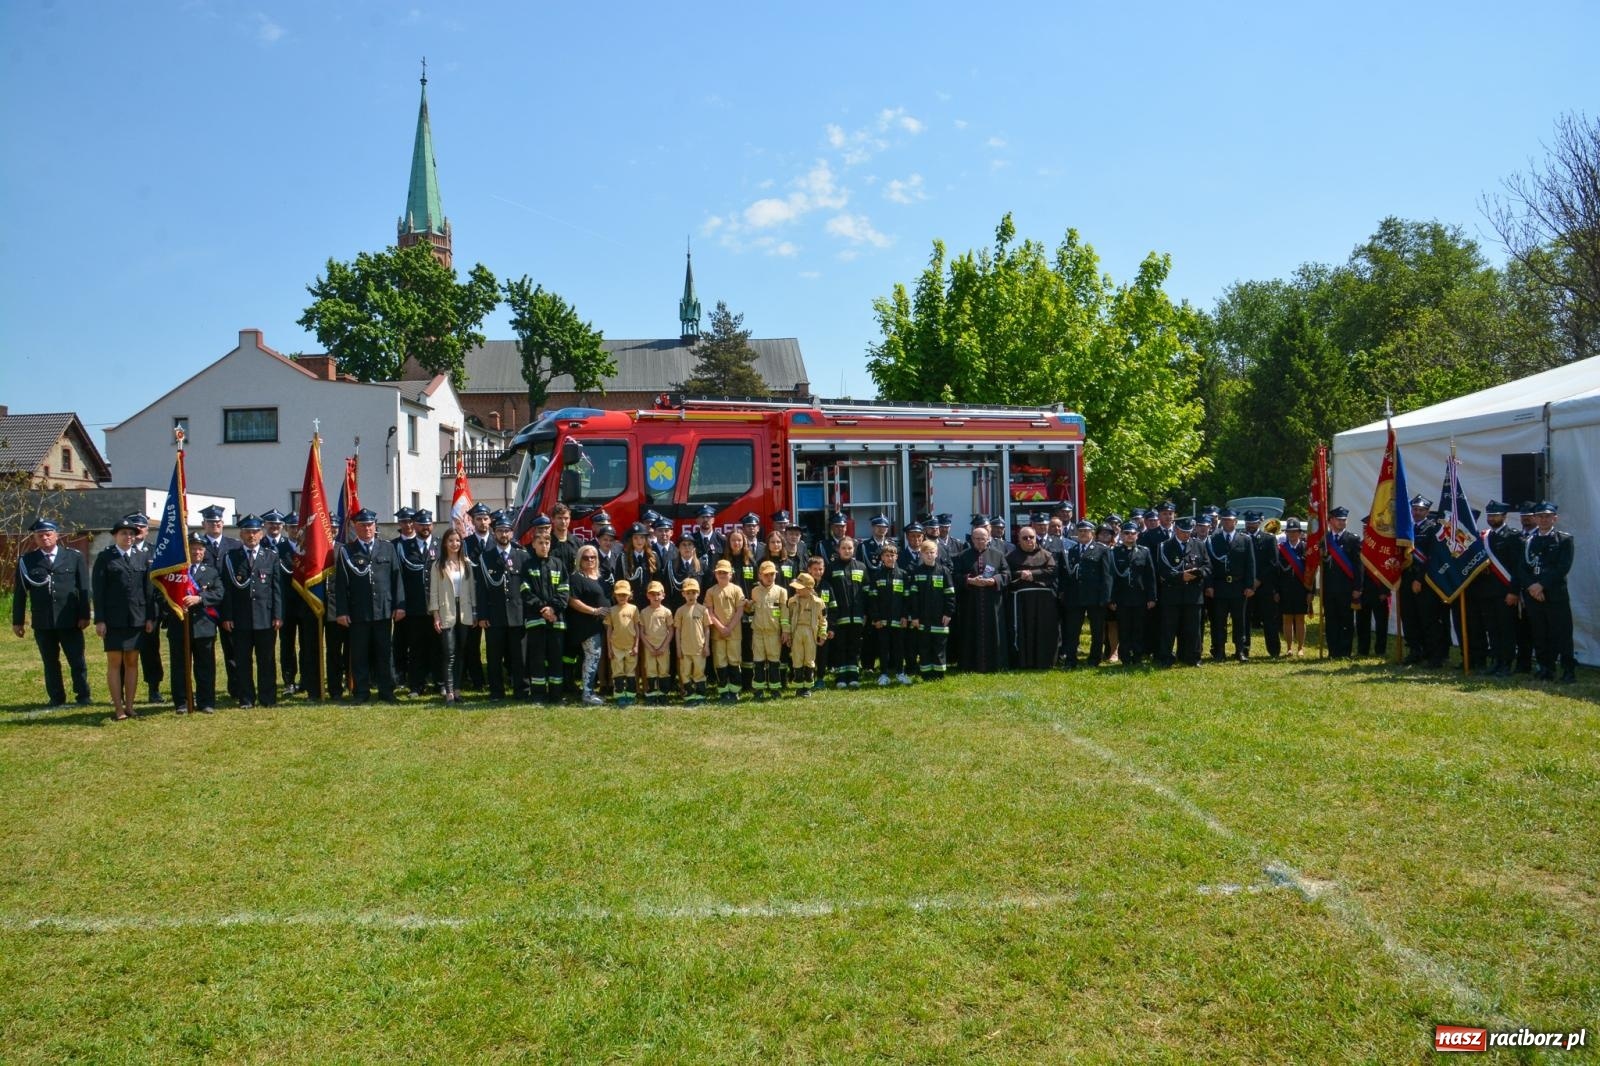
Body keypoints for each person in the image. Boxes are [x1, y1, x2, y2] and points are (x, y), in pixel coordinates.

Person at [12, 517, 92, 708]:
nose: (45, 538)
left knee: (77, 660)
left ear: (56, 535)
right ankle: (56, 697)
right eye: (40, 536)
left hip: (69, 618)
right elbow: (20, 593)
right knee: (50, 661)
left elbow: (83, 588)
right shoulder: (27, 561)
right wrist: (18, 621)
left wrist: (84, 615)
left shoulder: (73, 557)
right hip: (43, 620)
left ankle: (83, 695)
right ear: (35, 538)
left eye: (48, 534)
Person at [92, 514, 154, 720]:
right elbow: (98, 591)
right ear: (115, 536)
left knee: (132, 661)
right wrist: (100, 620)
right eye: (124, 533)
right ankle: (118, 708)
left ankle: (130, 706)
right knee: (115, 662)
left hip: (136, 617)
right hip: (114, 619)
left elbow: (148, 591)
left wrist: (150, 617)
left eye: (131, 534)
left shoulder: (142, 557)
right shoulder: (105, 557)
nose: (128, 537)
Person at [222, 514, 284, 708]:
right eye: (247, 532)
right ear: (241, 534)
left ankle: (268, 698)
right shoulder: (231, 558)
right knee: (242, 660)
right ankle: (246, 698)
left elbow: (276, 588)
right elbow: (227, 590)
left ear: (261, 534)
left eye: (255, 532)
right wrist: (227, 616)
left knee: (267, 660)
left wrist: (278, 615)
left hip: (265, 617)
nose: (251, 536)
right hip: (240, 618)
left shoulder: (271, 556)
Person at [163, 530, 225, 713]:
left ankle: (206, 702)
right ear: (186, 550)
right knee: (180, 667)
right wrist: (176, 604)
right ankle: (182, 702)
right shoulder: (174, 572)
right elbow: (161, 595)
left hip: (203, 627)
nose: (197, 552)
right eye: (193, 548)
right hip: (179, 625)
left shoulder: (211, 572)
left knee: (205, 666)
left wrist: (200, 598)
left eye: (200, 549)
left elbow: (219, 593)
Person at [1520, 501, 1576, 683]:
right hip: (1534, 594)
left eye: (1547, 516)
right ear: (1535, 518)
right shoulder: (1527, 540)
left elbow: (1563, 567)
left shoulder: (1564, 539)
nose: (1544, 519)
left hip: (1555, 594)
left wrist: (1541, 585)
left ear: (1555, 518)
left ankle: (1568, 670)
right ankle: (1545, 668)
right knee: (1540, 632)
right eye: (1540, 516)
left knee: (1562, 633)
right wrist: (1532, 586)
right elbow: (1521, 568)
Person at [473, 511, 526, 701]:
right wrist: (482, 615)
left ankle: (521, 690)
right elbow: (481, 589)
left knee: (519, 656)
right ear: (494, 532)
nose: (504, 534)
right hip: (494, 615)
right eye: (500, 531)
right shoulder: (485, 557)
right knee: (494, 657)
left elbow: (526, 589)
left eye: (507, 531)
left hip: (517, 615)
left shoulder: (522, 556)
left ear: (512, 533)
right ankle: (496, 691)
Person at [519, 515, 569, 704]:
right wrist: (543, 609)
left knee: (556, 659)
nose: (544, 546)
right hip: (536, 620)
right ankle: (538, 695)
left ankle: (556, 695)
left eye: (547, 543)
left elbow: (564, 591)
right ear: (533, 545)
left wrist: (553, 609)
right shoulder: (527, 565)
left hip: (556, 621)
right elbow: (525, 591)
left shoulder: (558, 564)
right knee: (537, 659)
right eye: (540, 543)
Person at [196, 504, 242, 700]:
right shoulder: (196, 546)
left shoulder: (234, 545)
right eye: (210, 522)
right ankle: (206, 692)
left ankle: (235, 688)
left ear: (223, 523)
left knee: (232, 649)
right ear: (203, 524)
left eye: (218, 522)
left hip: (228, 605)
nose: (215, 524)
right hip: (203, 607)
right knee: (204, 652)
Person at [393, 507, 438, 697]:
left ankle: (440, 683)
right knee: (416, 649)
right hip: (415, 607)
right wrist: (401, 605)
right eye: (421, 524)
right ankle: (416, 685)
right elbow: (399, 578)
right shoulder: (404, 547)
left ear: (432, 525)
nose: (425, 527)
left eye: (428, 524)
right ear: (415, 526)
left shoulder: (440, 545)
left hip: (436, 607)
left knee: (438, 647)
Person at [429, 527, 476, 704]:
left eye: (457, 540)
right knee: (449, 653)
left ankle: (457, 690)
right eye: (451, 541)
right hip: (446, 610)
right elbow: (434, 592)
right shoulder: (438, 565)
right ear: (444, 543)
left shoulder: (467, 563)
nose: (454, 544)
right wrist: (436, 615)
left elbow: (472, 589)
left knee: (461, 652)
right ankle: (448, 691)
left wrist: (474, 611)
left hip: (464, 610)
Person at [1205, 509, 1256, 662]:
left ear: (1236, 522)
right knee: (1219, 621)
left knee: (1239, 620)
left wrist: (1250, 586)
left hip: (1238, 586)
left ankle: (1240, 650)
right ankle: (1220, 651)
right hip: (1219, 586)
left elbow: (1250, 564)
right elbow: (1209, 565)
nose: (1227, 522)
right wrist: (1209, 585)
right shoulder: (1213, 539)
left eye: (1230, 520)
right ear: (1221, 521)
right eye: (1225, 520)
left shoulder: (1245, 540)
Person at [955, 525, 1009, 673]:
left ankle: (995, 664)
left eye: (983, 539)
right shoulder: (962, 556)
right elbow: (955, 576)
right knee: (970, 632)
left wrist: (994, 580)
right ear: (972, 539)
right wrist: (969, 580)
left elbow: (1006, 574)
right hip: (970, 603)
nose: (980, 542)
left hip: (992, 602)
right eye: (977, 539)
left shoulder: (998, 555)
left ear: (988, 539)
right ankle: (970, 664)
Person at [1156, 517, 1209, 667]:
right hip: (1172, 594)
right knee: (1169, 628)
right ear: (1175, 529)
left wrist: (1199, 573)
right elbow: (1163, 569)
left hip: (1193, 594)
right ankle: (1166, 658)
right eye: (1183, 531)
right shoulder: (1165, 546)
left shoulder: (1199, 545)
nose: (1186, 535)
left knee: (1193, 628)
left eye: (1188, 532)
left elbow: (1208, 566)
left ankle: (1192, 657)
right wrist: (1180, 576)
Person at [1061, 520, 1113, 669]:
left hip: (1095, 597)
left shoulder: (1101, 550)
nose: (1083, 533)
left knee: (1097, 630)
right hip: (1075, 597)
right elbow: (1067, 574)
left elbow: (1107, 576)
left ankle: (1094, 659)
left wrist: (1106, 597)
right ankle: (1071, 659)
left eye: (1086, 531)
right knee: (1072, 630)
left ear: (1092, 533)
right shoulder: (1071, 550)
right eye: (1080, 531)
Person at [1005, 525, 1059, 670]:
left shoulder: (1046, 555)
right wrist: (1021, 574)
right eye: (1025, 538)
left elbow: (1052, 571)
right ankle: (1023, 661)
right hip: (1021, 602)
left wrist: (1032, 575)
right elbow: (1007, 573)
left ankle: (1043, 661)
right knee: (1023, 631)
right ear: (1019, 540)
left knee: (1043, 630)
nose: (1029, 540)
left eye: (1031, 537)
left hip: (1043, 603)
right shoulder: (1011, 556)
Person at [1479, 501, 1522, 675]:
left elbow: (1518, 567)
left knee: (1506, 628)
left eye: (1495, 515)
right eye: (1489, 515)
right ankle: (1496, 660)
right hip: (1487, 591)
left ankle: (1506, 662)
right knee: (1492, 628)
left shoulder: (1513, 536)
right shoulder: (1484, 537)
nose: (1491, 518)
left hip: (1505, 591)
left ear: (1504, 516)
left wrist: (1514, 591)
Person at [564, 545, 610, 706]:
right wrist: (594, 611)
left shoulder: (600, 576)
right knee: (592, 657)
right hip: (585, 626)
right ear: (579, 559)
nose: (590, 560)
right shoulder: (576, 577)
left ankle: (590, 691)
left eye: (593, 557)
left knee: (595, 658)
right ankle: (587, 694)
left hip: (601, 625)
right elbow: (572, 600)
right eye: (585, 557)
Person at [1108, 521, 1158, 667]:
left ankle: (1137, 657)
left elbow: (1150, 576)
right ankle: (1125, 657)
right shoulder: (1114, 552)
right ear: (1121, 535)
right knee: (1123, 628)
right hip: (1122, 598)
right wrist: (1111, 599)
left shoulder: (1144, 551)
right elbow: (1111, 577)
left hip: (1140, 597)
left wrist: (1152, 597)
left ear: (1137, 535)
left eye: (1133, 533)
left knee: (1139, 628)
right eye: (1126, 533)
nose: (1130, 536)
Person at [129, 513, 164, 704]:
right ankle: (124, 690)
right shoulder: (122, 551)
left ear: (147, 530)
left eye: (141, 527)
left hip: (151, 609)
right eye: (134, 527)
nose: (137, 530)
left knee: (151, 651)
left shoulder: (155, 552)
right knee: (126, 650)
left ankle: (154, 688)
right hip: (128, 611)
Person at [907, 539, 954, 680]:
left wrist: (948, 613)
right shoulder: (917, 572)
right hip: (922, 617)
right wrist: (914, 616)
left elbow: (950, 594)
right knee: (924, 646)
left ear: (937, 553)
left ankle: (939, 674)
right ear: (921, 554)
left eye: (932, 552)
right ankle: (926, 673)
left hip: (940, 617)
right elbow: (913, 597)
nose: (929, 555)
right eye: (926, 553)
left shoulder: (944, 571)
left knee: (939, 646)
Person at [826, 536, 868, 688]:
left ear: (854, 549)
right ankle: (841, 677)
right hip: (839, 616)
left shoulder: (861, 567)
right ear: (838, 549)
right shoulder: (831, 567)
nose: (847, 551)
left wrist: (865, 613)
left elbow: (866, 592)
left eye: (850, 548)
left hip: (857, 615)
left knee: (854, 646)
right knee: (840, 646)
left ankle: (853, 676)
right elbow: (828, 592)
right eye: (843, 548)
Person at [1321, 507, 1363, 659]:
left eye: (1344, 520)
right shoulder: (1325, 540)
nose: (1341, 522)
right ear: (1331, 521)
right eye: (1338, 519)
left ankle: (1345, 652)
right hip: (1329, 588)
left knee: (1346, 620)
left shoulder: (1353, 539)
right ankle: (1333, 651)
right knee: (1331, 620)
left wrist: (1358, 587)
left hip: (1347, 588)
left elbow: (1358, 566)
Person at [705, 559, 746, 703]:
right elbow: (709, 612)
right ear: (715, 574)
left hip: (734, 633)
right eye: (719, 572)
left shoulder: (736, 590)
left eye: (725, 572)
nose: (722, 575)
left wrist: (729, 628)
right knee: (720, 662)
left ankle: (734, 691)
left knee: (734, 660)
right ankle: (723, 691)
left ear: (731, 574)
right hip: (718, 634)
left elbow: (740, 611)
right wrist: (721, 628)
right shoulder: (711, 591)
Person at [1244, 511, 1282, 659]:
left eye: (1253, 523)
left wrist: (1258, 580)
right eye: (1248, 523)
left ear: (1259, 522)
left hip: (1265, 587)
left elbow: (1273, 563)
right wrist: (1249, 582)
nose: (1250, 525)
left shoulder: (1269, 539)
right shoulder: (1241, 538)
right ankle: (1244, 650)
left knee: (1269, 620)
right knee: (1245, 620)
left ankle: (1274, 651)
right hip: (1247, 587)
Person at [748, 559, 788, 699]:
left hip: (773, 633)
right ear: (760, 575)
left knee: (774, 661)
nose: (769, 577)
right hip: (758, 632)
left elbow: (784, 613)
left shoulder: (781, 592)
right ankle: (758, 690)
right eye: (766, 575)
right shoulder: (755, 591)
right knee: (758, 661)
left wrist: (785, 630)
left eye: (772, 574)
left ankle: (775, 689)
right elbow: (752, 609)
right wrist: (748, 606)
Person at [784, 572, 827, 696]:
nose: (797, 590)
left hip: (810, 633)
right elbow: (788, 618)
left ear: (809, 588)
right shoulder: (792, 601)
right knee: (797, 659)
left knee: (809, 659)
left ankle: (807, 687)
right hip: (796, 631)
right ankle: (799, 687)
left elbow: (823, 620)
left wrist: (822, 634)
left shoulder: (818, 602)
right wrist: (788, 634)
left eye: (800, 588)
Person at [1274, 519, 1312, 657]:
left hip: (1302, 589)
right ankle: (1289, 647)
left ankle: (1300, 647)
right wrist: (1276, 591)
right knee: (1287, 619)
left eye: (1295, 531)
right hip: (1285, 589)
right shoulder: (1281, 549)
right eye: (1289, 532)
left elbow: (1311, 571)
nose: (1292, 534)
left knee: (1300, 619)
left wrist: (1310, 591)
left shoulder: (1306, 548)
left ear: (1300, 533)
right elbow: (1276, 572)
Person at [674, 577, 711, 704]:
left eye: (694, 592)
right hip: (685, 649)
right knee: (685, 672)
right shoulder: (680, 611)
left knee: (699, 671)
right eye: (688, 593)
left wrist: (706, 646)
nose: (691, 595)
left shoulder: (703, 610)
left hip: (699, 648)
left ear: (698, 593)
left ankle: (700, 694)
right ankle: (689, 695)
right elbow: (677, 630)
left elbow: (707, 629)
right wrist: (678, 648)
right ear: (683, 594)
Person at [603, 580, 641, 706]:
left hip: (630, 646)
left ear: (629, 595)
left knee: (630, 671)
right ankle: (619, 695)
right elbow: (609, 630)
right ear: (615, 595)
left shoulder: (634, 609)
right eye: (619, 595)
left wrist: (636, 645)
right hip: (616, 647)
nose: (622, 597)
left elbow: (637, 628)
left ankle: (630, 695)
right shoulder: (612, 610)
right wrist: (609, 649)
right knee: (617, 671)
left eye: (624, 595)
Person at [639, 581, 675, 704]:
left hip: (663, 647)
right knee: (651, 670)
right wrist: (649, 647)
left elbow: (671, 630)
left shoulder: (667, 612)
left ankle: (663, 694)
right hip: (649, 648)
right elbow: (641, 632)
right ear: (647, 596)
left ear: (663, 595)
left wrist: (663, 647)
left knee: (664, 670)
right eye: (652, 594)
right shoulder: (644, 612)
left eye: (658, 594)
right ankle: (652, 695)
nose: (655, 597)